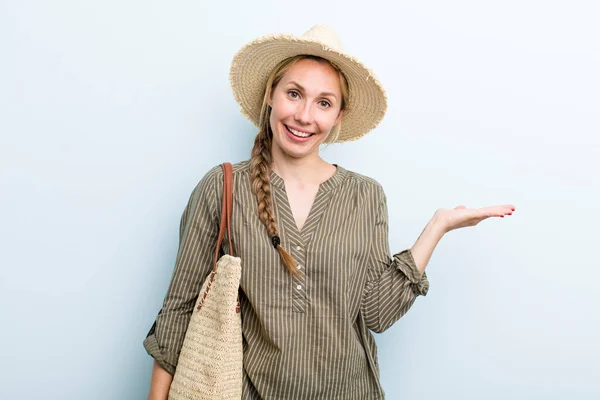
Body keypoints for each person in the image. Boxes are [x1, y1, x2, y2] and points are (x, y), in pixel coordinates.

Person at [143, 25, 515, 399]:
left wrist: (437, 227)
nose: (304, 116)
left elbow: (376, 313)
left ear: (338, 115)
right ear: (271, 95)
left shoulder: (364, 196)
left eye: (324, 102)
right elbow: (180, 310)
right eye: (294, 94)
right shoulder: (222, 188)